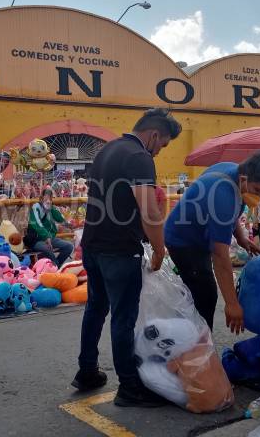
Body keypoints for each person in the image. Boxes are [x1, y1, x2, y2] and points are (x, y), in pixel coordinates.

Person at [73, 108, 181, 407]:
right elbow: (149, 209)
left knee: (96, 309)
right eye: (163, 145)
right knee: (123, 318)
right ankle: (130, 387)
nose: (160, 151)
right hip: (120, 249)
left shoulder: (107, 150)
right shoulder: (138, 156)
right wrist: (160, 248)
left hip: (93, 245)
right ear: (154, 134)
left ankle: (87, 371)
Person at [164, 151, 260, 332]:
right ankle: (197, 348)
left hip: (193, 233)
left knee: (197, 290)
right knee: (205, 295)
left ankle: (194, 340)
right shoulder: (223, 196)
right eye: (258, 190)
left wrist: (241, 237)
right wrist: (232, 304)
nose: (259, 197)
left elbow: (233, 211)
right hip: (184, 242)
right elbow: (219, 256)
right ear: (244, 179)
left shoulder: (230, 169)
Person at [27, 188, 73, 267]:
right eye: (46, 198)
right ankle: (56, 268)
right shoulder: (36, 207)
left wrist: (69, 224)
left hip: (50, 238)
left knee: (69, 246)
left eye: (50, 198)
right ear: (41, 198)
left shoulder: (51, 207)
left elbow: (60, 218)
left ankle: (55, 266)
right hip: (36, 240)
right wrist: (47, 237)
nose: (48, 201)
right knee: (47, 249)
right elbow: (37, 225)